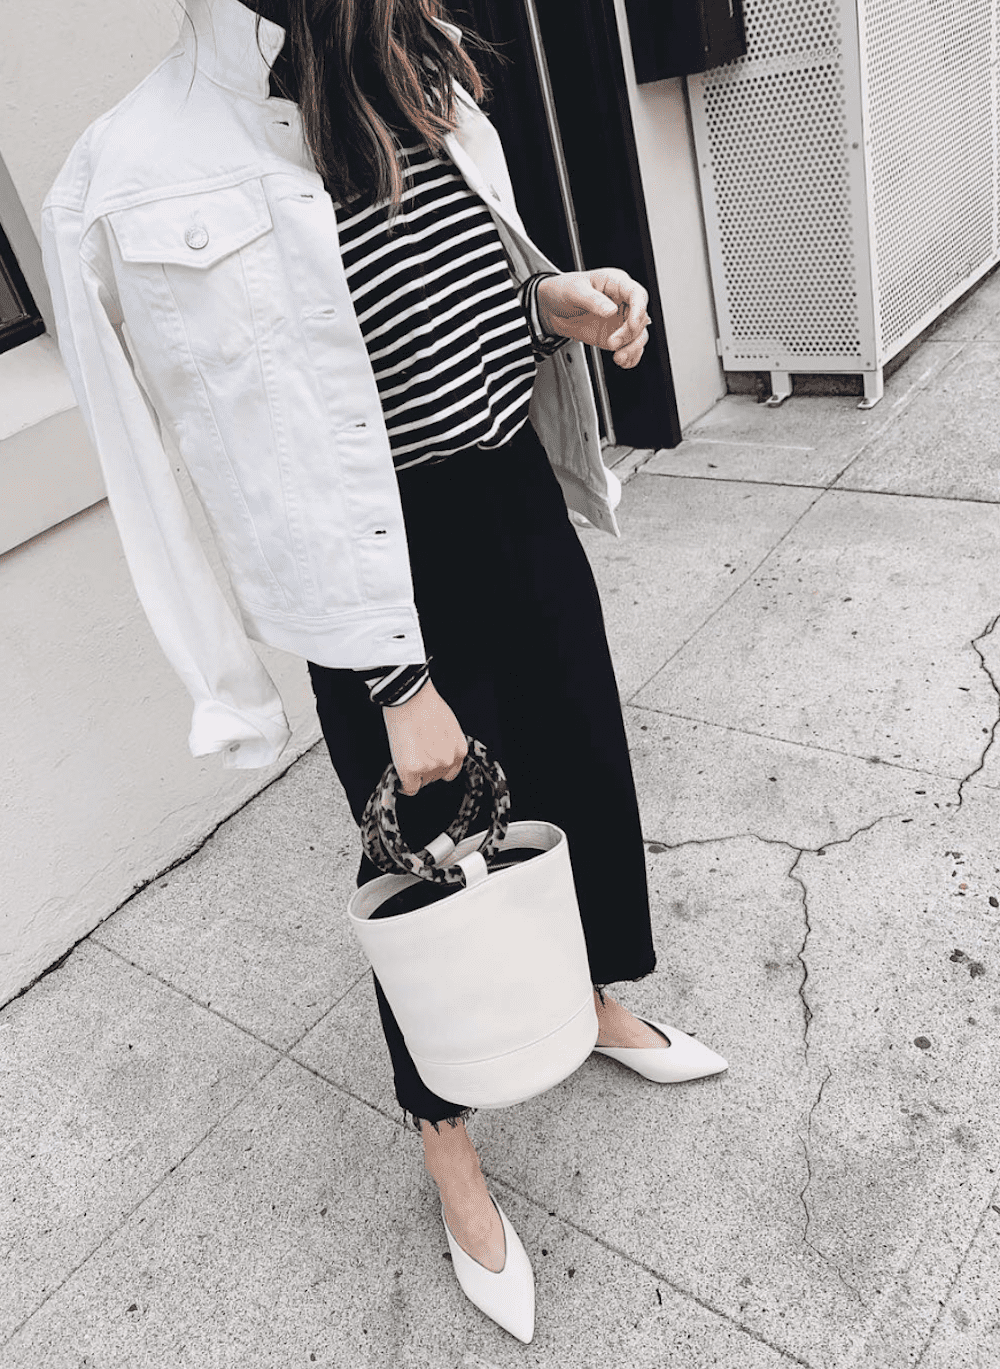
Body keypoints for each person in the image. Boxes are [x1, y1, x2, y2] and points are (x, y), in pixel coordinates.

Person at [41, 0, 727, 1341]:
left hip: (510, 499)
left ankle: (585, 1002)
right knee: (426, 863)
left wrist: (555, 299)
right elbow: (229, 476)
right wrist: (394, 684)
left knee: (575, 771)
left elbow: (445, 292)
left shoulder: (416, 69)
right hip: (375, 575)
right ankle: (446, 1142)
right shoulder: (139, 168)